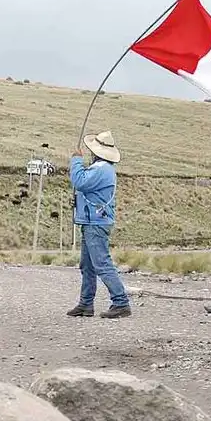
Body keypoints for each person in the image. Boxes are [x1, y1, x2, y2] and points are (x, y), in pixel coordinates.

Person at [66, 130, 131, 319]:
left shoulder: (101, 169)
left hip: (95, 223)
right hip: (92, 221)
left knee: (101, 263)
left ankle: (120, 302)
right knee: (87, 265)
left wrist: (76, 161)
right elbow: (89, 191)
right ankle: (86, 304)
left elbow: (79, 182)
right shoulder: (104, 169)